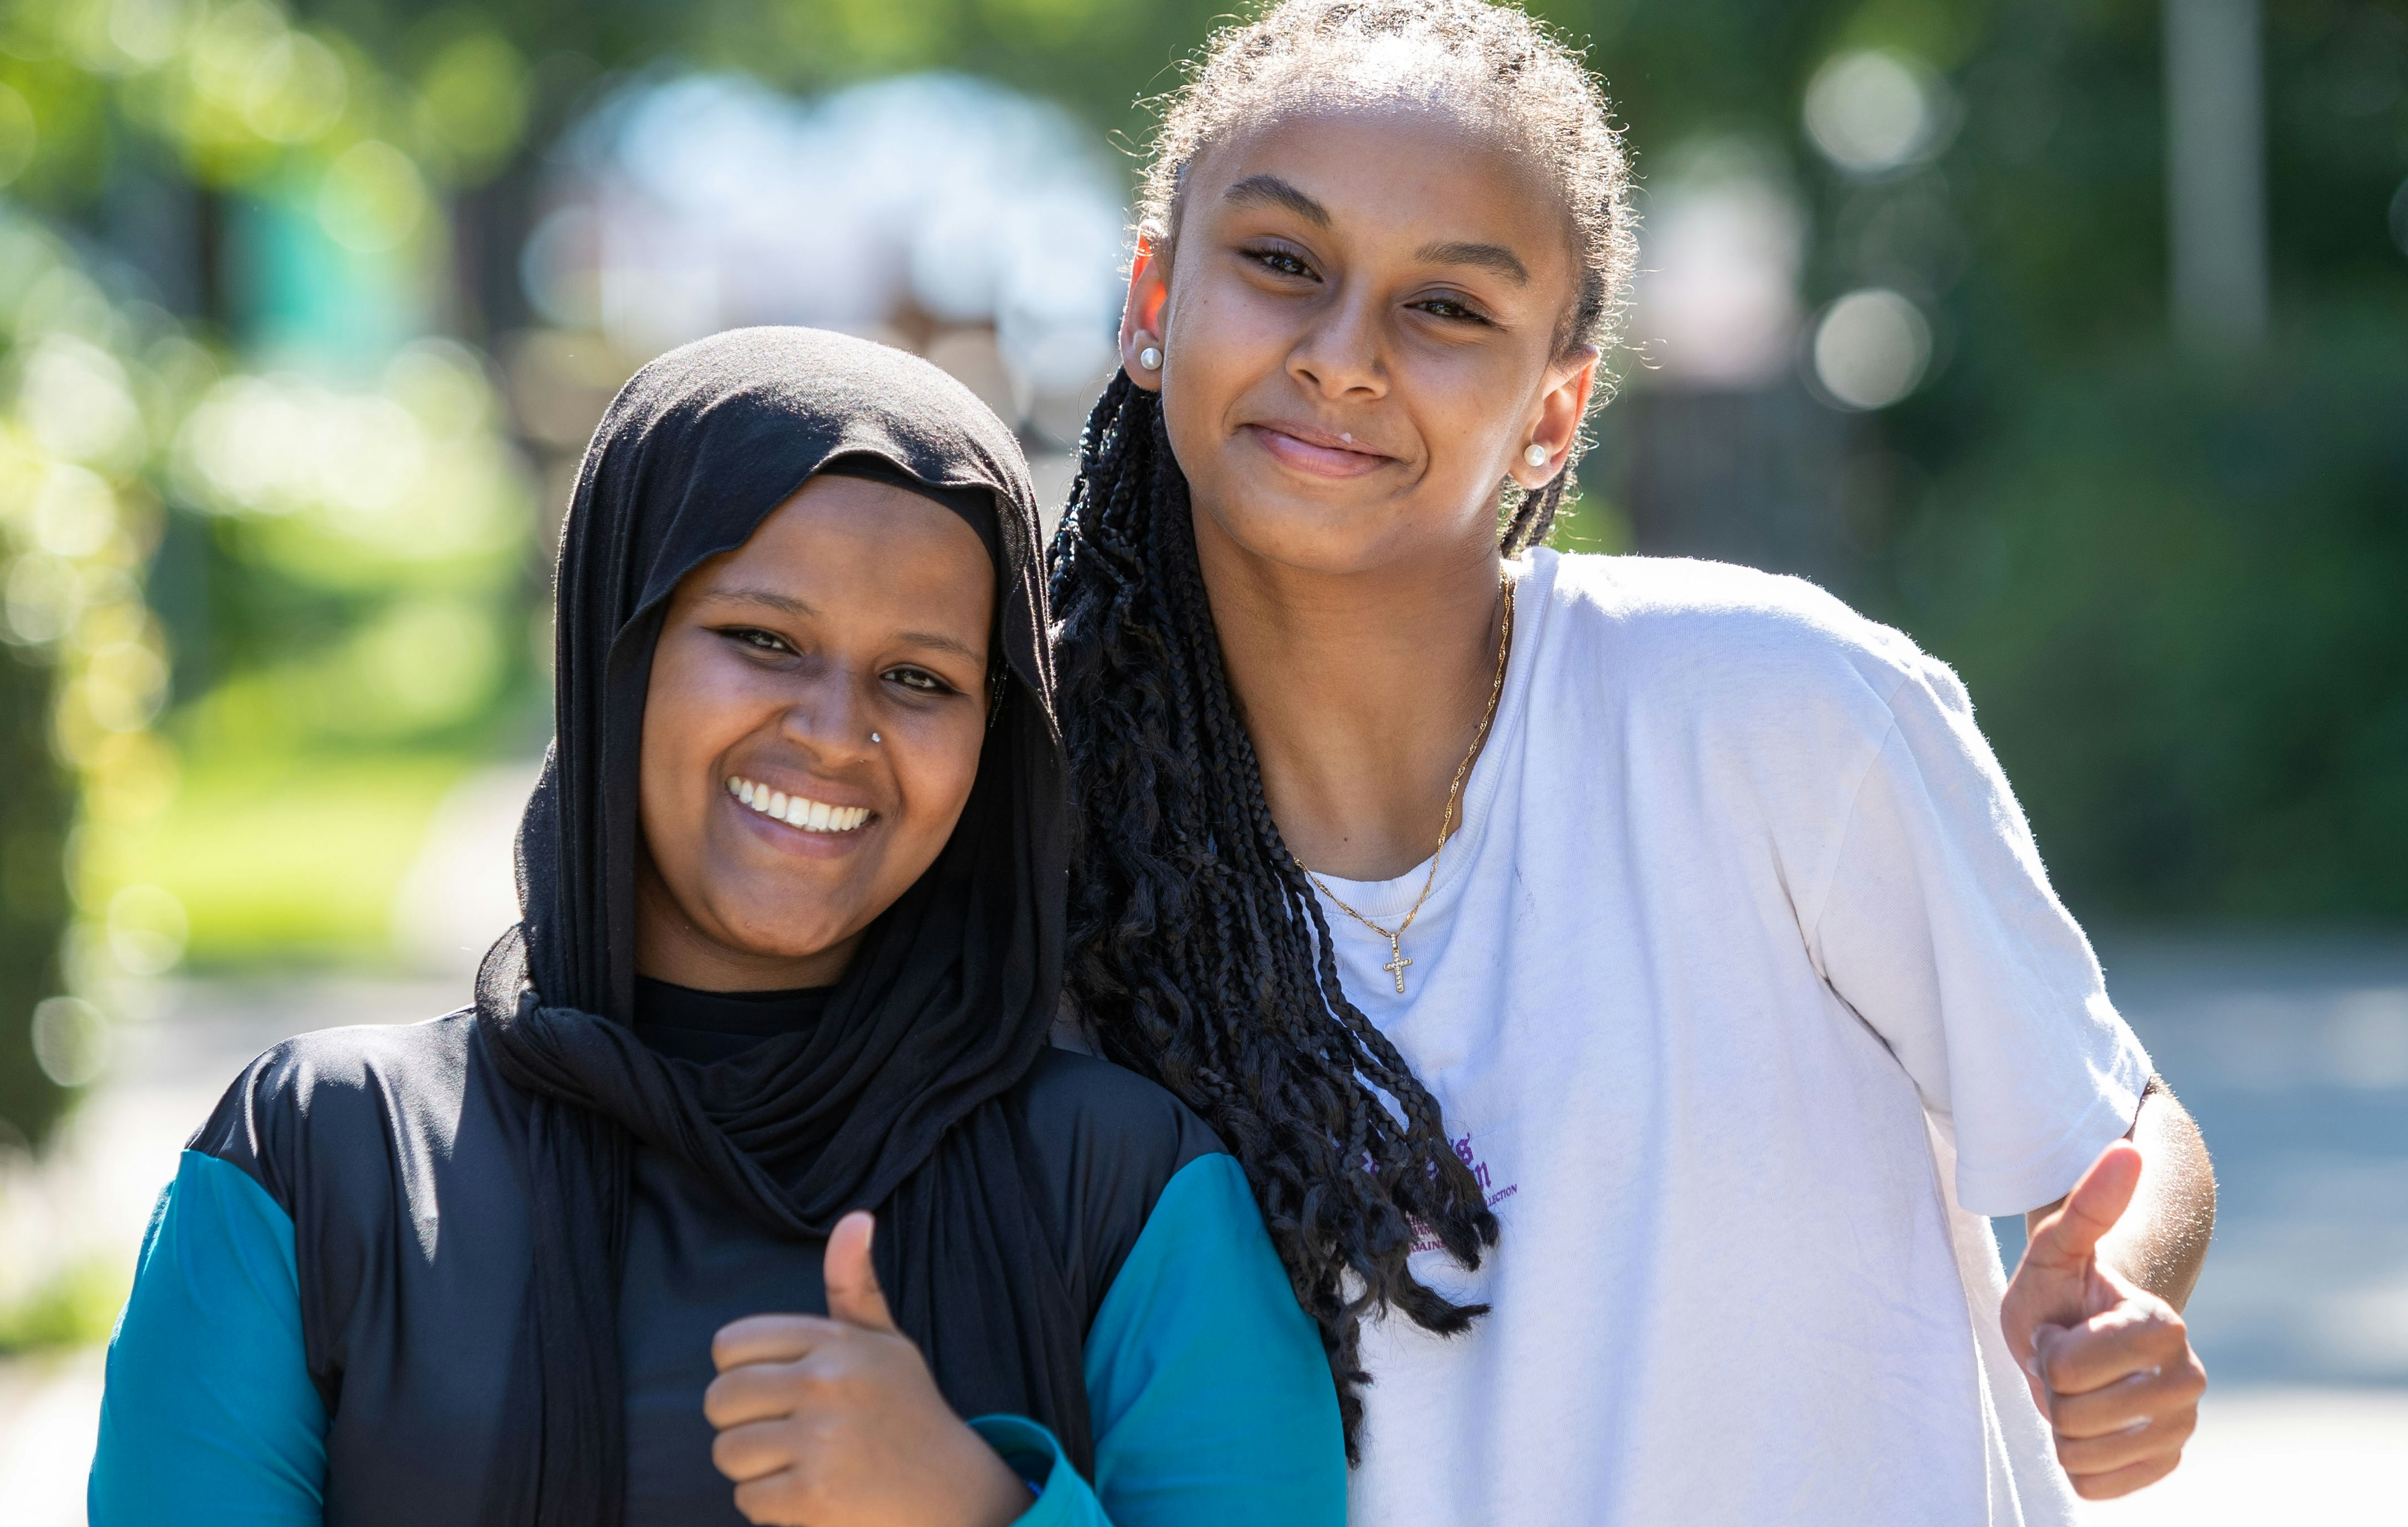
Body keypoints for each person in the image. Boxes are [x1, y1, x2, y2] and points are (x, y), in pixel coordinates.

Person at [1048, 3, 2215, 1523]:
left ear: (1553, 410)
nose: (1342, 357)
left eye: (1447, 309)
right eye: (1280, 263)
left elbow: (2115, 1128)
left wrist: (2114, 1299)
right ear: (1153, 301)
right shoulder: (1047, 833)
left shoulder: (1774, 707)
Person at [89, 328, 1345, 1527]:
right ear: (616, 653)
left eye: (919, 679)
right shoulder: (321, 1162)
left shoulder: (1128, 1193)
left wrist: (968, 1508)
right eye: (761, 639)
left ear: (996, 739)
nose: (832, 730)